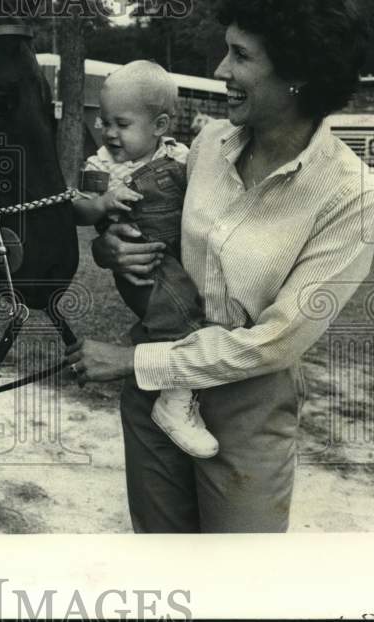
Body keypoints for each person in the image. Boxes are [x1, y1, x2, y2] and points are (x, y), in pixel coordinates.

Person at [66, 0, 374, 533]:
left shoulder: (351, 194)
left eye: (240, 56)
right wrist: (111, 248)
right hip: (153, 389)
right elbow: (148, 223)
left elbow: (277, 340)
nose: (220, 71)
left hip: (245, 404)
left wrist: (135, 363)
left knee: (237, 583)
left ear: (298, 75)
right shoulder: (207, 145)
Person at [72, 61, 218, 458]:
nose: (109, 133)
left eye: (121, 123)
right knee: (183, 323)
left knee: (193, 315)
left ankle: (175, 387)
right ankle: (174, 402)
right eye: (104, 123)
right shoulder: (102, 165)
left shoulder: (181, 156)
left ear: (160, 126)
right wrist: (103, 203)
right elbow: (79, 210)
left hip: (179, 254)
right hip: (144, 261)